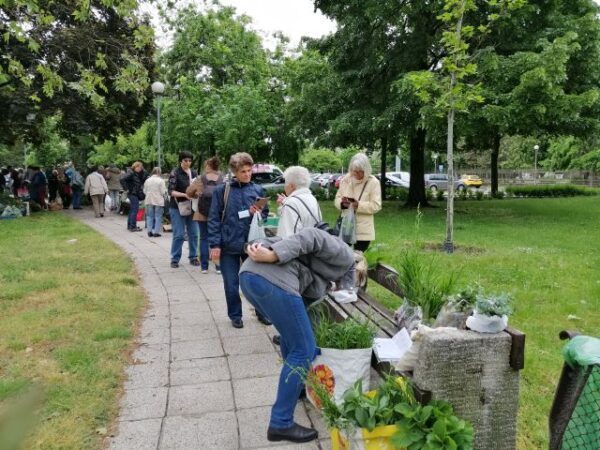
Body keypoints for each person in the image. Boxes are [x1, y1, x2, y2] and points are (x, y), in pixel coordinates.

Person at [239, 228, 354, 443]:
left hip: (249, 278)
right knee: (304, 349)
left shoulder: (320, 271)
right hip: (271, 281)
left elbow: (306, 301)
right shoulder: (345, 254)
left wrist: (254, 246)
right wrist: (272, 254)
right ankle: (280, 423)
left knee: (292, 341)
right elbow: (312, 236)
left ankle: (297, 388)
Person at [208, 152, 270, 329]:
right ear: (235, 171)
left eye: (250, 170)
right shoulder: (223, 190)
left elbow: (264, 214)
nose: (247, 174)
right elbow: (213, 218)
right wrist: (215, 245)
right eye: (243, 171)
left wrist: (259, 213)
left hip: (252, 244)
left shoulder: (257, 190)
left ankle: (262, 312)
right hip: (229, 244)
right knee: (231, 284)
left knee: (257, 281)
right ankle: (235, 315)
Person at [334, 153, 382, 252]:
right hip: (346, 227)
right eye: (354, 171)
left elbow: (376, 206)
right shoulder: (345, 180)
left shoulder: (373, 182)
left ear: (366, 170)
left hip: (363, 231)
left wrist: (358, 205)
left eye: (360, 171)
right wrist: (342, 204)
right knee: (342, 256)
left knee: (358, 259)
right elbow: (337, 199)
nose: (357, 174)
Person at [186, 156, 224, 274]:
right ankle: (218, 267)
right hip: (218, 214)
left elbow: (189, 192)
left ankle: (204, 267)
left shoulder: (200, 179)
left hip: (202, 213)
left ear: (209, 166)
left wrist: (196, 194)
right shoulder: (222, 179)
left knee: (204, 238)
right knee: (217, 239)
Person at [168, 151, 199, 267]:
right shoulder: (175, 173)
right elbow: (170, 191)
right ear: (180, 160)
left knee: (194, 234)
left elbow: (198, 187)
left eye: (190, 160)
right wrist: (185, 195)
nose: (188, 163)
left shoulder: (194, 173)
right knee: (179, 234)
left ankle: (193, 257)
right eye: (186, 160)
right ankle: (175, 258)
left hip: (192, 207)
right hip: (177, 207)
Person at [276, 166, 322, 237]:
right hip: (312, 244)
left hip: (298, 246)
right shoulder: (312, 198)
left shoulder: (291, 203)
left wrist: (287, 203)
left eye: (285, 183)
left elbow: (287, 237)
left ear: (292, 186)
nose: (284, 186)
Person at [121, 161, 148, 232]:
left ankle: (130, 226)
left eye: (141, 167)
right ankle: (133, 226)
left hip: (134, 193)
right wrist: (126, 188)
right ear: (135, 167)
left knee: (132, 210)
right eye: (139, 167)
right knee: (134, 210)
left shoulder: (136, 173)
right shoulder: (131, 173)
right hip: (133, 193)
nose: (140, 169)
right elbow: (122, 179)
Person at [143, 167, 167, 237]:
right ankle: (156, 232)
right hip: (158, 201)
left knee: (149, 216)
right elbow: (163, 192)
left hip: (149, 200)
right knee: (158, 216)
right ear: (159, 172)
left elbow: (144, 191)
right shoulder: (161, 180)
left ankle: (149, 231)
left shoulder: (147, 180)